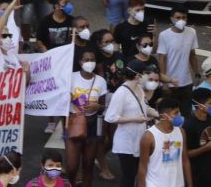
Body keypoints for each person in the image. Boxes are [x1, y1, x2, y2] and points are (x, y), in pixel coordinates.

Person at [105, 58, 158, 187]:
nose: (147, 76)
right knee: (129, 176)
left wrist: (157, 113)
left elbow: (144, 108)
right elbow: (111, 117)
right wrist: (135, 119)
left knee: (135, 173)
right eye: (145, 73)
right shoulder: (121, 93)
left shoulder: (139, 89)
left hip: (138, 139)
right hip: (125, 142)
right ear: (137, 75)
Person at [65, 50, 107, 187]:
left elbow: (103, 106)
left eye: (92, 59)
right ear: (80, 62)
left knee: (88, 164)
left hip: (92, 125)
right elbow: (62, 100)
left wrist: (96, 106)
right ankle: (71, 183)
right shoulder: (71, 77)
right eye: (86, 59)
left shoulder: (100, 81)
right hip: (74, 123)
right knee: (71, 166)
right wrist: (72, 99)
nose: (90, 62)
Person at [137, 97, 191, 187]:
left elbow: (185, 161)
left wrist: (190, 185)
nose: (179, 116)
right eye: (176, 113)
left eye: (179, 112)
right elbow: (142, 167)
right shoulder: (149, 136)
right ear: (164, 116)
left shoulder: (181, 132)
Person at [157, 8, 200, 117]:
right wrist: (164, 82)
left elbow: (192, 54)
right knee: (170, 115)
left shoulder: (192, 32)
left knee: (186, 115)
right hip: (171, 84)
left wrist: (196, 73)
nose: (181, 20)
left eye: (184, 17)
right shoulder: (164, 35)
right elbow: (162, 58)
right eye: (178, 18)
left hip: (187, 83)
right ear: (172, 18)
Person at [184, 87, 211, 187]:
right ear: (200, 105)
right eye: (210, 103)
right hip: (199, 175)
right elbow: (187, 154)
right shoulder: (189, 125)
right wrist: (207, 147)